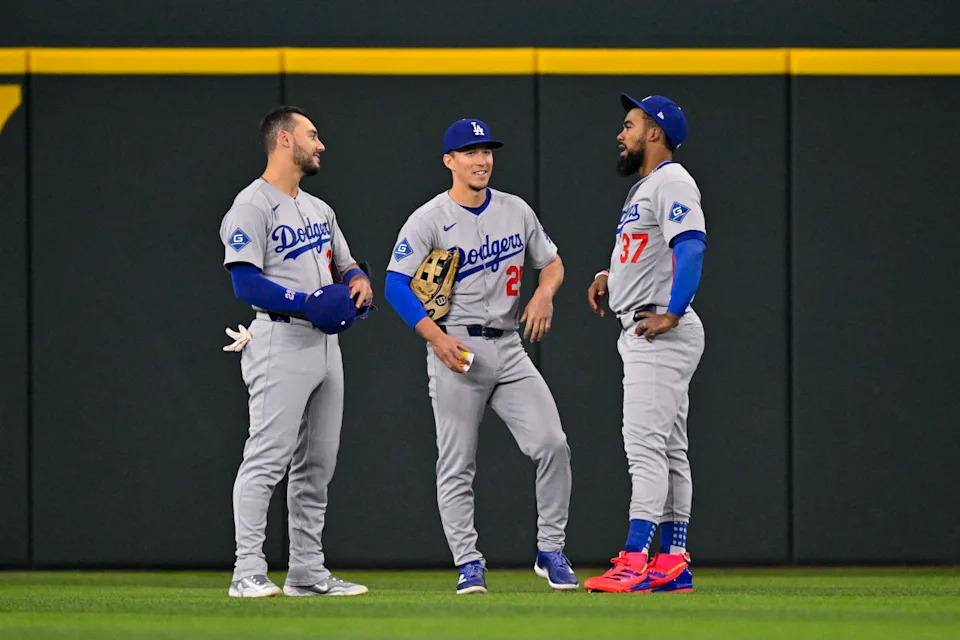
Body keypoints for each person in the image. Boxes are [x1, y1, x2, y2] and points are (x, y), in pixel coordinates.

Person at [384, 118, 577, 594]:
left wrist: (544, 294)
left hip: (510, 347)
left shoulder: (516, 211)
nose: (481, 159)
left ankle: (550, 550)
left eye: (486, 150)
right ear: (450, 161)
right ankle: (468, 562)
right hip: (457, 348)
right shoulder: (429, 218)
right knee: (457, 464)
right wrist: (434, 337)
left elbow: (551, 263)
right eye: (470, 152)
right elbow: (394, 283)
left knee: (553, 444)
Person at [218, 105, 373, 598]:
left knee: (317, 465)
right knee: (266, 458)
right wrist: (306, 301)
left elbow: (346, 265)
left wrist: (359, 282)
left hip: (324, 345)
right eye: (312, 134)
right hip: (278, 339)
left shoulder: (318, 208)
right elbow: (245, 282)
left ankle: (307, 571)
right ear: (284, 140)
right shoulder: (251, 205)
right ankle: (247, 570)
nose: (320, 143)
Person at [583, 95, 707, 594]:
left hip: (659, 330)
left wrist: (673, 311)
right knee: (671, 448)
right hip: (649, 321)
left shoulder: (672, 179)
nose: (622, 133)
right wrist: (611, 275)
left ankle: (635, 559)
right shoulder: (649, 186)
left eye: (630, 125)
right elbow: (650, 250)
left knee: (644, 448)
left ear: (654, 133)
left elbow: (691, 244)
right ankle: (672, 559)